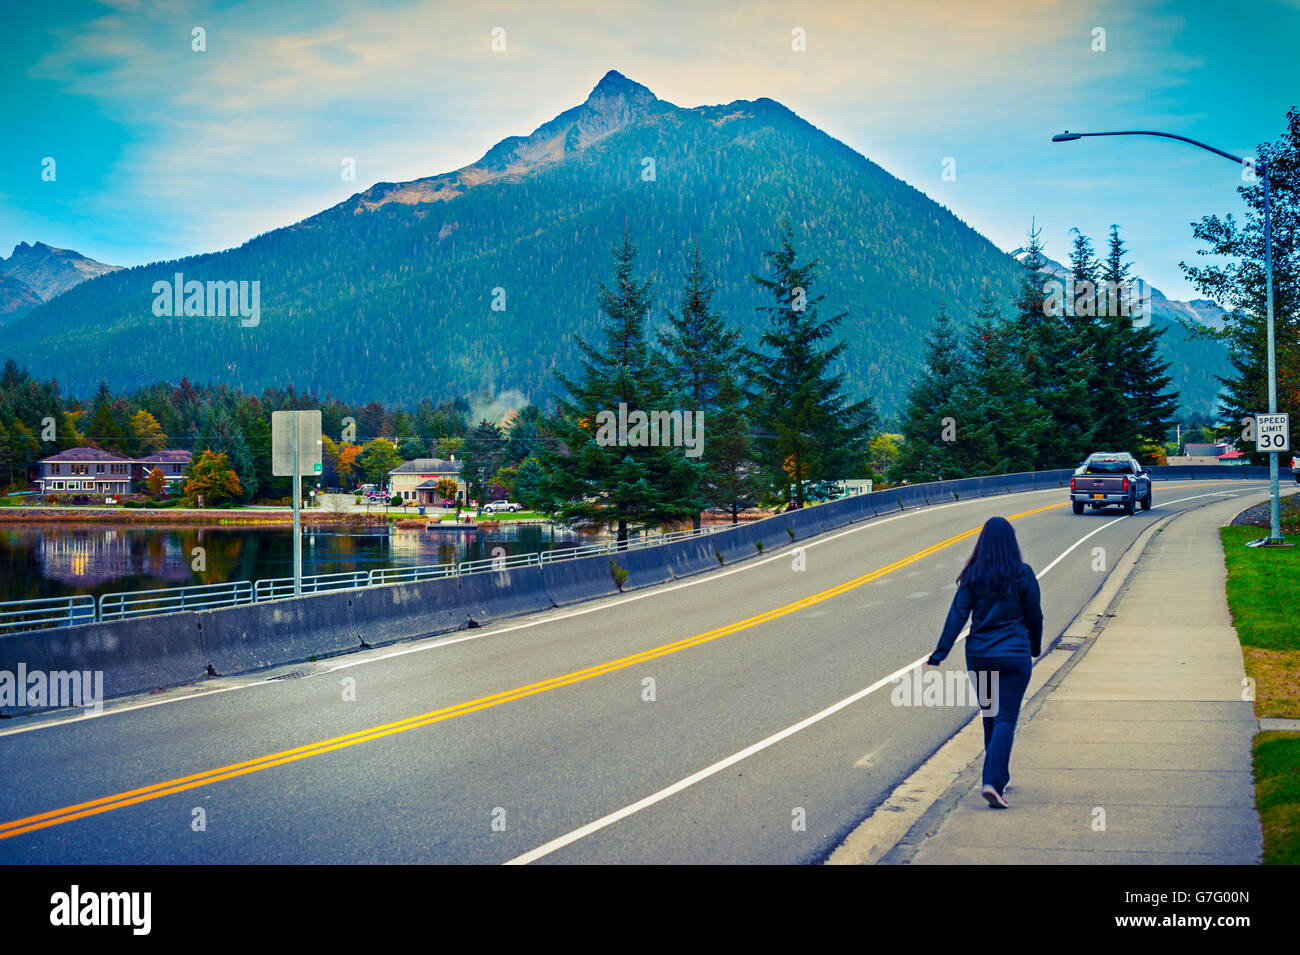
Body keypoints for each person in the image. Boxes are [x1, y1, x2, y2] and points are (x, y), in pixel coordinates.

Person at [926, 516, 1043, 809]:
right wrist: (1035, 647)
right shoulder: (1023, 574)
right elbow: (1035, 615)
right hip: (1014, 655)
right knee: (1006, 719)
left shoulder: (973, 576)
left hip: (980, 656)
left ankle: (998, 777)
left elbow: (957, 616)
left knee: (991, 715)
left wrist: (940, 653)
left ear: (983, 544)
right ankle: (991, 780)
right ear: (1011, 543)